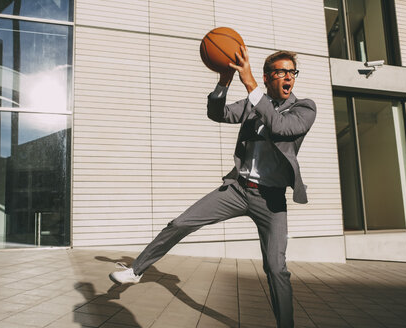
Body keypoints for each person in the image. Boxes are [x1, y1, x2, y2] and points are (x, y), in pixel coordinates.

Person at [109, 46, 316, 328]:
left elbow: (280, 127)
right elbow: (217, 114)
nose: (287, 77)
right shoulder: (253, 103)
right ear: (269, 78)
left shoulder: (304, 108)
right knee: (181, 222)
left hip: (271, 200)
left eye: (291, 72)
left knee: (276, 269)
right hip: (238, 190)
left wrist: (250, 82)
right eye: (280, 72)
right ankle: (136, 270)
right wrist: (224, 81)